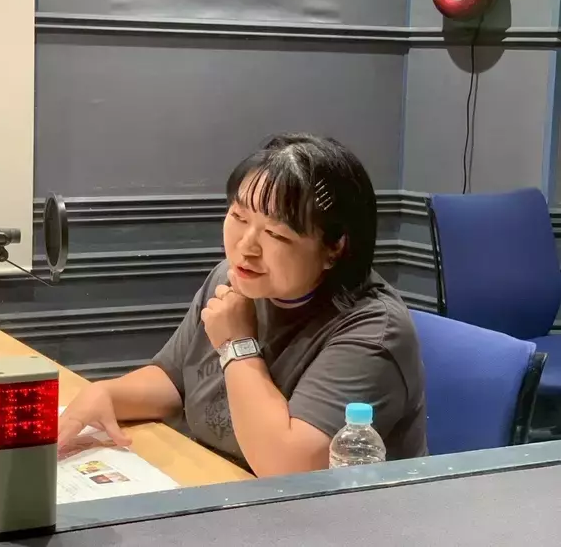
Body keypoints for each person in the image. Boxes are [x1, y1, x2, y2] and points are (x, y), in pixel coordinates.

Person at [58, 133, 427, 477]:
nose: (246, 246)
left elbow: (289, 468)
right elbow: (175, 379)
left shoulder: (373, 330)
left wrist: (237, 345)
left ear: (334, 248)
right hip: (215, 481)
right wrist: (106, 393)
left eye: (276, 233)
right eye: (238, 216)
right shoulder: (233, 278)